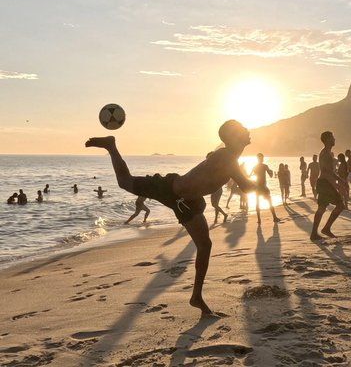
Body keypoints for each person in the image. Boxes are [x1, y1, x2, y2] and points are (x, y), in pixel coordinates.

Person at [85, 119, 257, 314]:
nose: (248, 130)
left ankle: (196, 297)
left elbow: (243, 184)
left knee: (205, 245)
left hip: (187, 202)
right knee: (125, 182)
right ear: (233, 137)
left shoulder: (229, 157)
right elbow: (245, 185)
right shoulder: (226, 156)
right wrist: (261, 186)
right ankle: (111, 146)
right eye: (243, 129)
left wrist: (257, 186)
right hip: (169, 190)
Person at [310, 131, 347, 240]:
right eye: (332, 137)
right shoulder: (325, 154)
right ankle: (323, 229)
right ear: (327, 140)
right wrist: (336, 185)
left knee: (322, 208)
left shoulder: (328, 153)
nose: (334, 139)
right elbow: (326, 173)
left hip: (324, 182)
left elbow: (330, 172)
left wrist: (340, 180)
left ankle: (318, 232)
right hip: (325, 183)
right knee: (339, 205)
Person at [250, 153, 281, 224]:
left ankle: (259, 219)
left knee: (257, 202)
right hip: (263, 186)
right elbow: (270, 175)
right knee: (269, 201)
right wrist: (271, 172)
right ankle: (274, 217)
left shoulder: (254, 167)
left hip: (258, 187)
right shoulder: (265, 166)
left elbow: (250, 176)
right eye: (262, 158)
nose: (263, 159)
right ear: (260, 158)